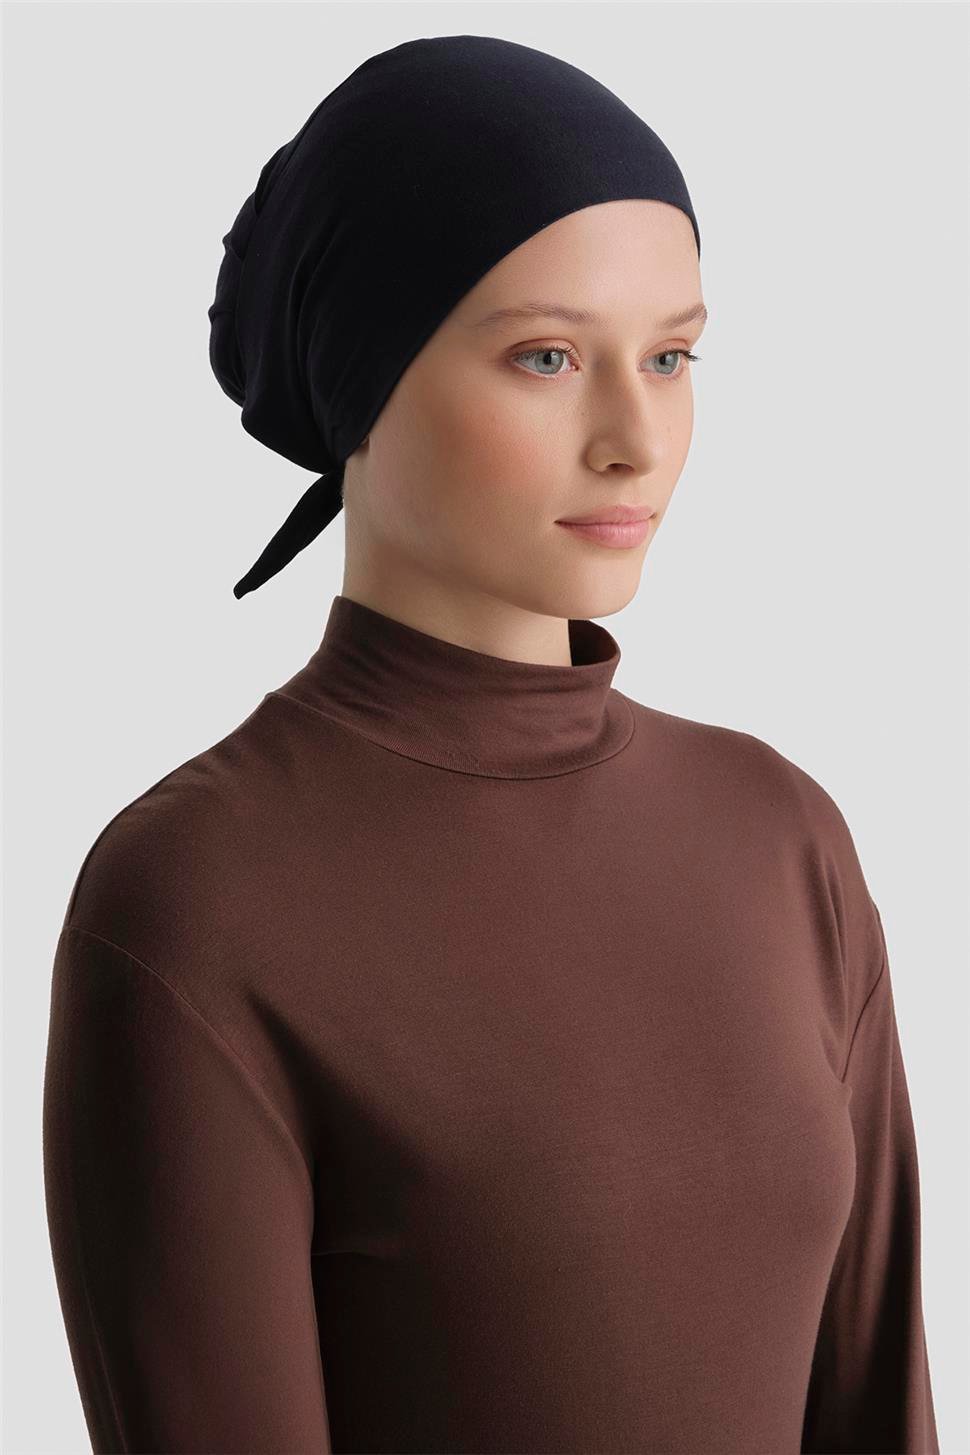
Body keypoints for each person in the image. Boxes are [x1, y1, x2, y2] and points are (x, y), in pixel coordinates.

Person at [42, 34, 939, 1455]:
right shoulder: (202, 898)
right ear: (360, 373)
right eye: (546, 356)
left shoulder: (779, 834)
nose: (635, 437)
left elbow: (878, 1403)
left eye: (671, 355)